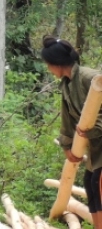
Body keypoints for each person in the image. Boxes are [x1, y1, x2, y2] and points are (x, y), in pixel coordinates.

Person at [41, 36, 102, 229]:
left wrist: (91, 130)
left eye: (49, 66)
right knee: (90, 184)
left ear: (56, 64)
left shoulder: (90, 77)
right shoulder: (67, 84)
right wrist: (67, 145)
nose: (49, 70)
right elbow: (67, 119)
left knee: (99, 185)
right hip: (95, 148)